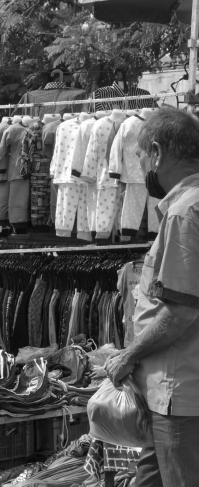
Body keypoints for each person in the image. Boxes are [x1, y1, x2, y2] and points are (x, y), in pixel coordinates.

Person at [105, 107, 199, 487]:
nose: (141, 168)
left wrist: (128, 354)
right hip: (170, 392)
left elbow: (180, 313)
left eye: (141, 158)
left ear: (157, 153)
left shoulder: (184, 212)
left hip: (180, 392)